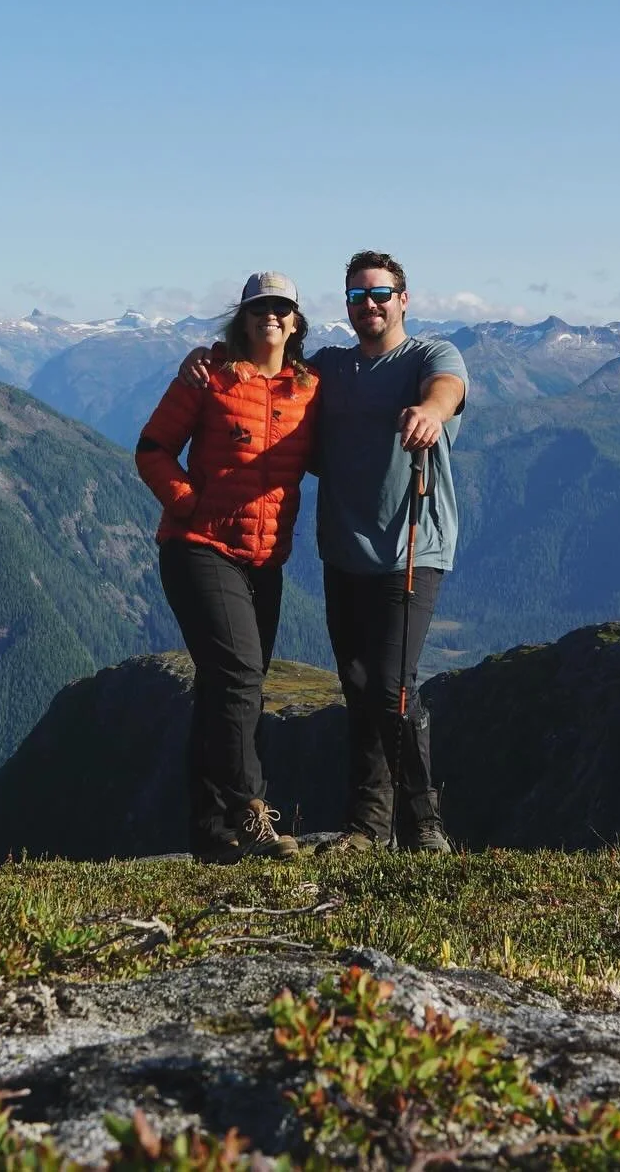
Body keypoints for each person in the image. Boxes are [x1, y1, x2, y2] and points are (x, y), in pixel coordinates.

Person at [181, 250, 467, 853]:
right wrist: (206, 361)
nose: (369, 305)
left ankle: (424, 824)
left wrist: (431, 413)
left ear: (403, 299)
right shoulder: (329, 370)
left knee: (392, 684)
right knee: (359, 684)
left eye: (380, 294)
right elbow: (267, 371)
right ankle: (367, 827)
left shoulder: (429, 357)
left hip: (411, 547)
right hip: (343, 552)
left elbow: (448, 389)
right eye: (357, 296)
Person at [136, 272, 321, 862]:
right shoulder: (209, 377)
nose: (271, 314)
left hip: (265, 560)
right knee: (240, 679)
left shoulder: (311, 390)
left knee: (226, 690)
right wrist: (189, 505)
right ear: (242, 319)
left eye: (281, 307)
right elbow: (152, 449)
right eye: (259, 306)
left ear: (295, 322)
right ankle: (252, 813)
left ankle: (211, 840)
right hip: (198, 548)